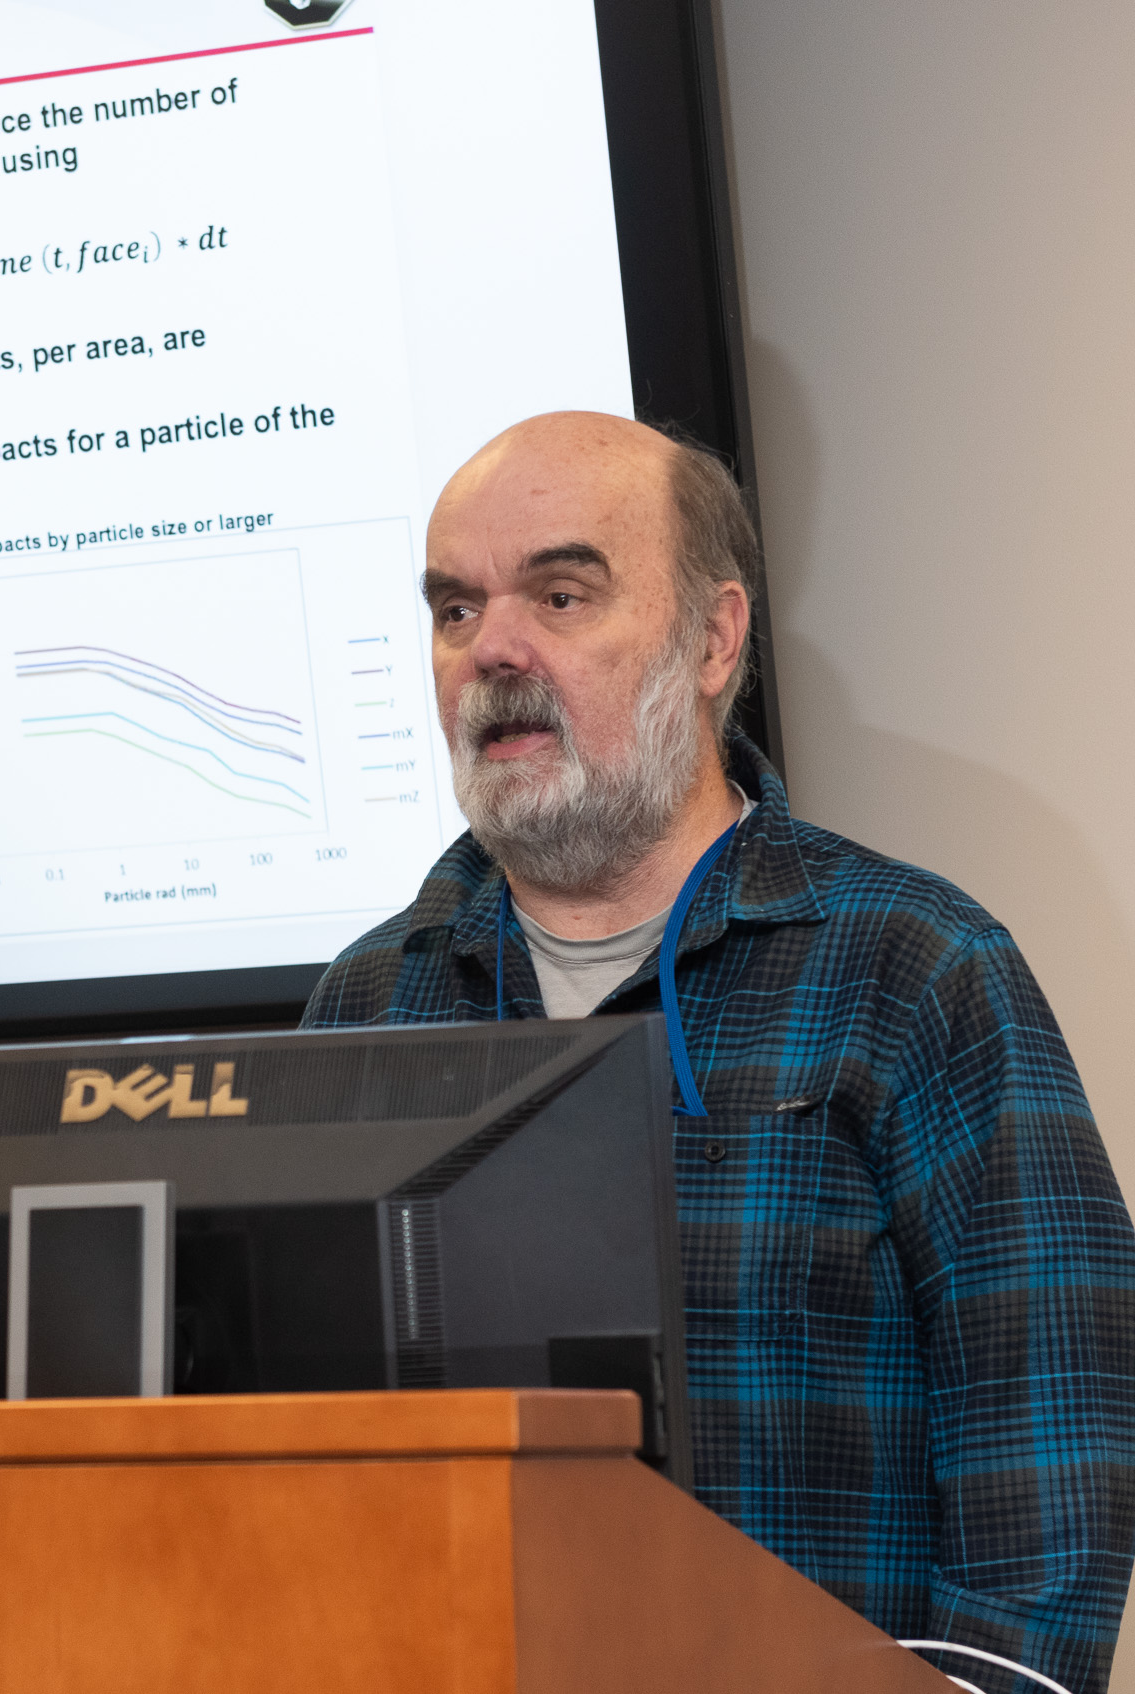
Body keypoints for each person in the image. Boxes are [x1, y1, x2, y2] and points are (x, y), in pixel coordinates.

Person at [302, 412, 1135, 1694]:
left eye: (559, 594)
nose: (492, 649)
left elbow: (1052, 1475)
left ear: (711, 637)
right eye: (455, 609)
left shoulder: (913, 967)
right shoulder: (368, 1003)